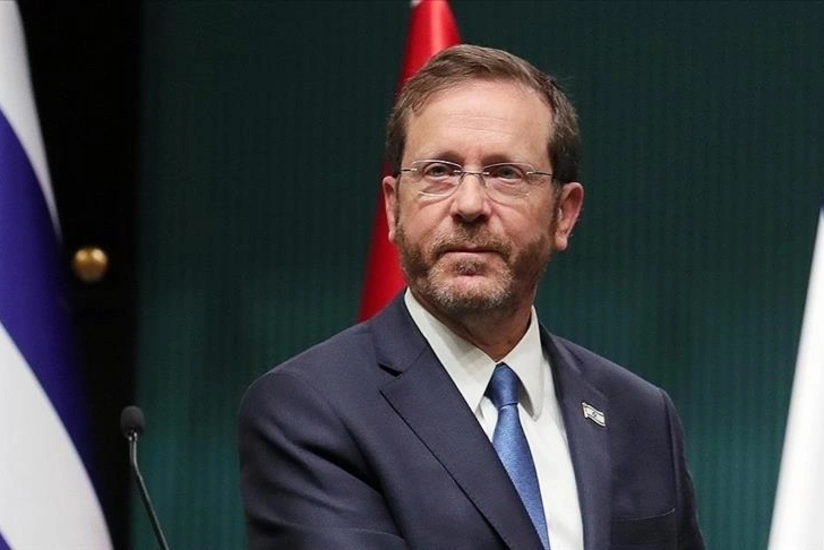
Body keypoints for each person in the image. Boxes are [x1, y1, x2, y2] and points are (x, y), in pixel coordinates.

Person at [239, 44, 704, 549]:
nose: (468, 204)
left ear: (563, 214)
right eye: (439, 171)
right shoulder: (311, 408)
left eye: (505, 173)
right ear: (393, 208)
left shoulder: (641, 415)